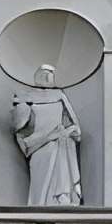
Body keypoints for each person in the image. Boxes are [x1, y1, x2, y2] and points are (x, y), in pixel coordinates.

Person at [11, 65, 83, 206]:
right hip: (39, 147)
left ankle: (63, 197)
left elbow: (75, 128)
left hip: (60, 144)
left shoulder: (59, 96)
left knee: (62, 159)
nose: (47, 77)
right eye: (44, 73)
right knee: (41, 178)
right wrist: (22, 108)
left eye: (50, 73)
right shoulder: (25, 97)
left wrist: (68, 132)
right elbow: (20, 128)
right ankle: (41, 204)